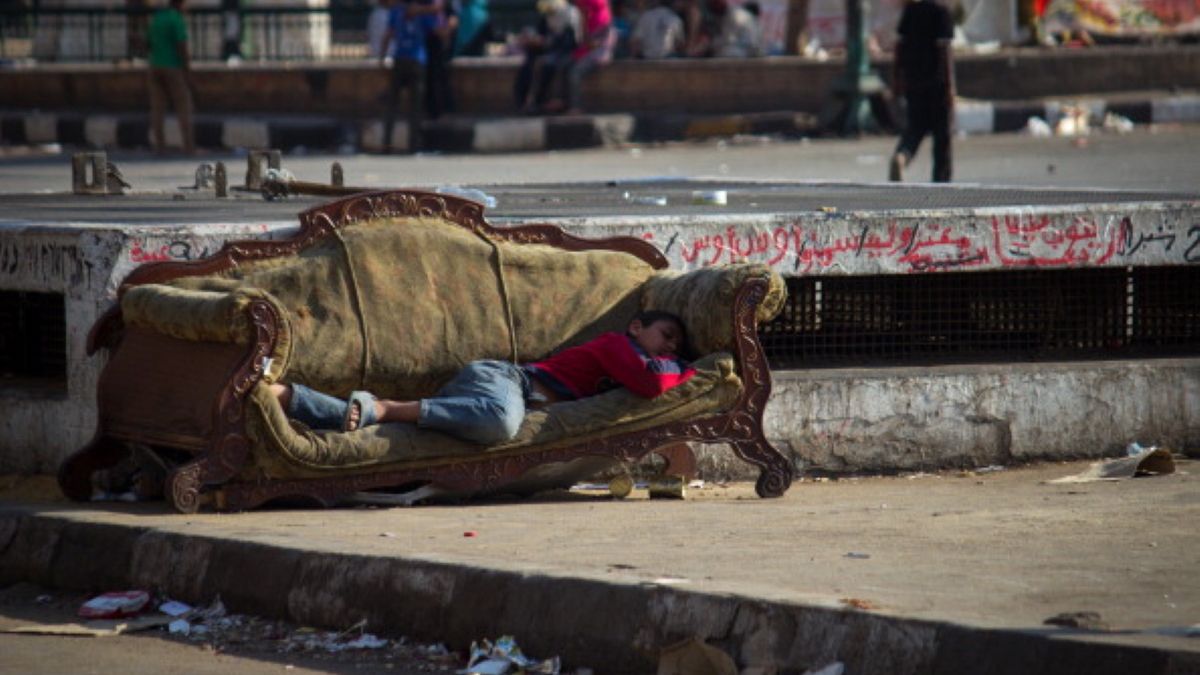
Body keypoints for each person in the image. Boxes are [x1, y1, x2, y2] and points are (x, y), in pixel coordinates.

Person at [269, 311, 695, 444]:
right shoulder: (617, 345)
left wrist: (678, 365)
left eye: (677, 347)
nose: (669, 349)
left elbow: (656, 381)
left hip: (491, 399)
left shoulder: (646, 360)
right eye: (666, 336)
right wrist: (688, 370)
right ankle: (383, 404)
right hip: (507, 382)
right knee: (502, 423)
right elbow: (654, 383)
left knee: (362, 429)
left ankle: (282, 396)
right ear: (637, 327)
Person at [889, 0, 955, 183]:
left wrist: (897, 82)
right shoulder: (942, 13)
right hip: (937, 84)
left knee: (915, 129)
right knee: (942, 136)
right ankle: (941, 183)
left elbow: (899, 49)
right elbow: (944, 53)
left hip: (913, 82)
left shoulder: (910, 12)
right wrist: (950, 87)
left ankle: (902, 157)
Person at [380, 0, 440, 152]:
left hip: (400, 59)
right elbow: (437, 30)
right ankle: (413, 146)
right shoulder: (423, 13)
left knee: (392, 104)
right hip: (417, 60)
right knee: (415, 106)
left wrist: (382, 58)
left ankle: (387, 144)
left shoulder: (396, 11)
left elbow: (388, 35)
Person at [146, 0, 195, 155]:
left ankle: (160, 146)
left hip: (155, 66)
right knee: (184, 106)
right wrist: (187, 69)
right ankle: (188, 147)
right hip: (172, 66)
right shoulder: (176, 19)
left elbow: (148, 43)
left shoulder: (157, 18)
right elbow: (182, 45)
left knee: (157, 108)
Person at [513, 0, 580, 113]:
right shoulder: (548, 15)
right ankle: (523, 101)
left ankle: (541, 101)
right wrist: (533, 40)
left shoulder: (569, 16)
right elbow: (541, 31)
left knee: (548, 65)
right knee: (529, 61)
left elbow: (569, 42)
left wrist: (548, 42)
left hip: (565, 51)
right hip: (549, 49)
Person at [558, 0, 615, 114]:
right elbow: (584, 41)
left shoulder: (602, 18)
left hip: (599, 54)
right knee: (564, 64)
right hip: (587, 51)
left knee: (575, 72)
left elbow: (594, 44)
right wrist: (583, 20)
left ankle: (575, 107)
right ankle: (563, 101)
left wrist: (584, 20)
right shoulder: (588, 16)